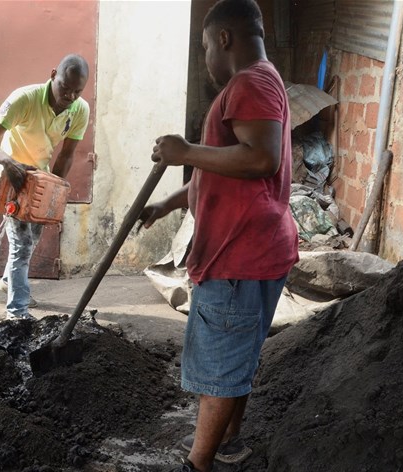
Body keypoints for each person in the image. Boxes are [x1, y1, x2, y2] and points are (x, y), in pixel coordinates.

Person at [139, 1, 299, 471]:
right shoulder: (260, 81)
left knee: (221, 369)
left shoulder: (249, 83)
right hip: (256, 252)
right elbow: (226, 168)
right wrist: (168, 203)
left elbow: (260, 159)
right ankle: (230, 444)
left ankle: (197, 463)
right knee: (238, 356)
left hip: (238, 258)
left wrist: (186, 149)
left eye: (206, 45)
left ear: (224, 39)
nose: (206, 55)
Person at [0, 54, 90, 320]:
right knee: (22, 244)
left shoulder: (80, 109)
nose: (70, 96)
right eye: (65, 87)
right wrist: (8, 163)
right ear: (53, 74)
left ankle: (8, 281)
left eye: (77, 91)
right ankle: (17, 312)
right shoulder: (24, 99)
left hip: (41, 180)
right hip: (12, 178)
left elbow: (66, 154)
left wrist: (56, 190)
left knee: (33, 238)